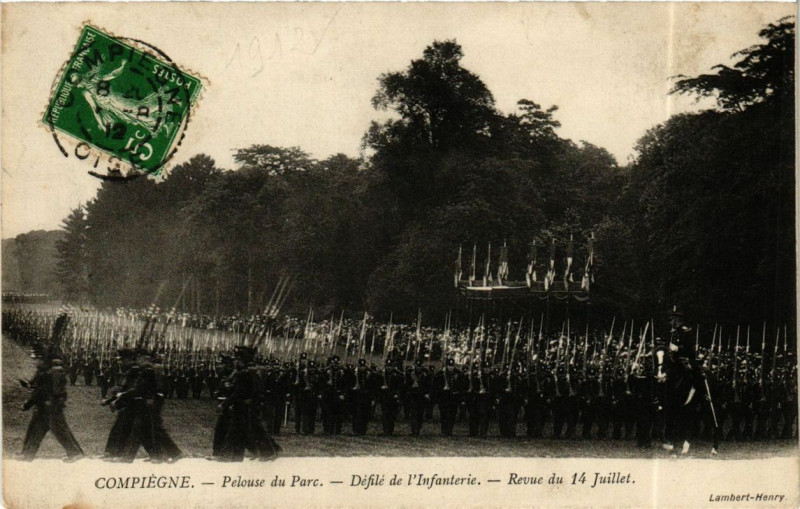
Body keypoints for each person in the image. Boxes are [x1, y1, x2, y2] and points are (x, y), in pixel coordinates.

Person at [20, 347, 84, 461]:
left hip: (50, 407)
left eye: (35, 358)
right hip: (47, 406)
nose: (34, 361)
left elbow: (40, 392)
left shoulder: (46, 372)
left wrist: (27, 404)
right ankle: (27, 454)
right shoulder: (44, 371)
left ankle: (75, 453)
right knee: (37, 430)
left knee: (59, 430)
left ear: (41, 358)